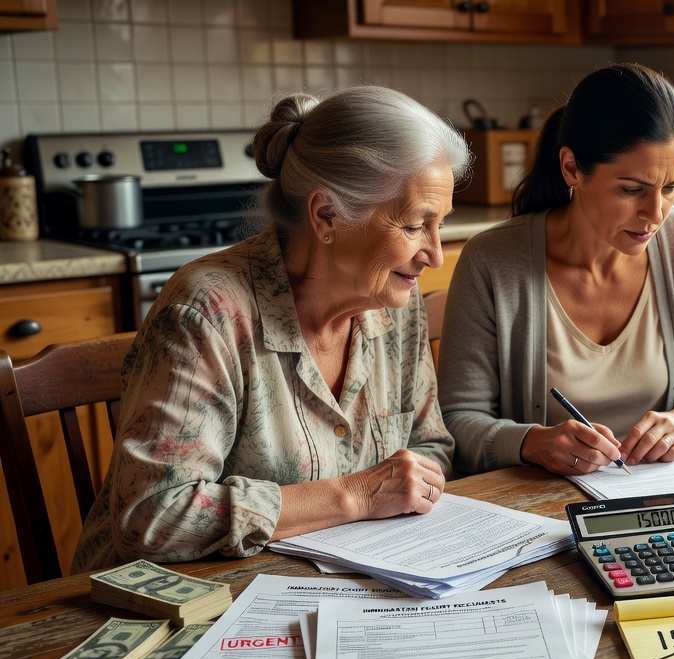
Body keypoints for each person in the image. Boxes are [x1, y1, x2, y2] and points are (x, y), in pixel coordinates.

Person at [71, 86, 470, 572]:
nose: (434, 254)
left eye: (440, 226)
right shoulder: (209, 310)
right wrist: (352, 496)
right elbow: (152, 516)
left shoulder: (395, 302)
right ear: (327, 215)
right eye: (414, 226)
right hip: (161, 604)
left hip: (327, 586)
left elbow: (430, 447)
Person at [439, 63, 674, 476]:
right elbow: (456, 421)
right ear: (571, 168)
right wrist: (533, 443)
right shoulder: (492, 260)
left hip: (666, 499)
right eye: (632, 190)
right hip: (538, 512)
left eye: (671, 188)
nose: (655, 214)